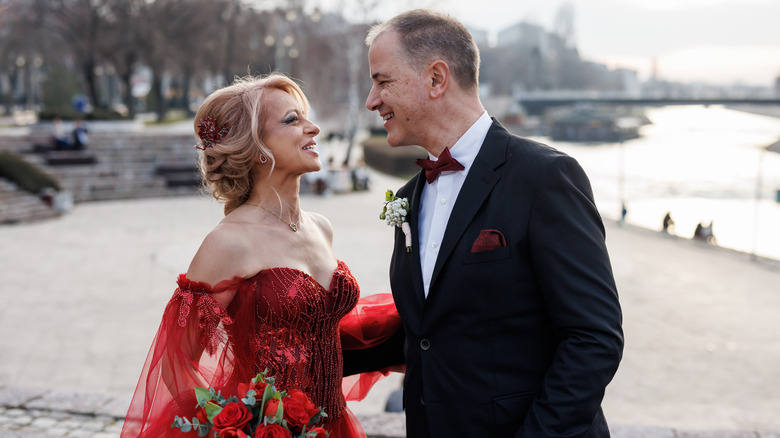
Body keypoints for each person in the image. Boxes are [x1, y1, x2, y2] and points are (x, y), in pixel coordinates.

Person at [361, 10, 624, 437]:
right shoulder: (408, 199)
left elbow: (593, 339)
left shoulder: (545, 177)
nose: (372, 100)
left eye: (382, 81)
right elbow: (430, 333)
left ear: (435, 79)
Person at [121, 74, 403, 438]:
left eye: (307, 117)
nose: (313, 128)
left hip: (335, 426)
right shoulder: (229, 242)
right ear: (256, 148)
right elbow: (177, 364)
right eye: (292, 120)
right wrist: (238, 427)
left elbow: (321, 326)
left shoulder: (322, 228)